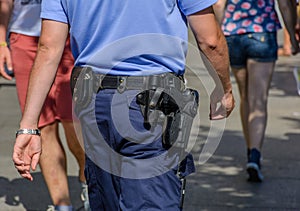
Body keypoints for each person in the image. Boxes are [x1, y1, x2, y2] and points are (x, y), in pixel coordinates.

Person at [12, 0, 235, 210]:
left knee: (108, 200)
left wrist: (29, 126)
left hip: (93, 104)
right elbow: (210, 41)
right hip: (150, 107)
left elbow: (48, 48)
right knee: (152, 200)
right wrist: (223, 88)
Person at [0, 0, 89, 210]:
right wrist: (2, 44)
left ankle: (88, 181)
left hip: (68, 35)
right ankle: (62, 205)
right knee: (41, 127)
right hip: (24, 37)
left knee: (74, 124)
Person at [214, 0, 290, 182]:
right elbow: (285, 4)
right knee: (259, 101)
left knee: (245, 97)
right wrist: (293, 41)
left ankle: (250, 152)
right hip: (263, 32)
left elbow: (218, 5)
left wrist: (218, 34)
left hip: (233, 34)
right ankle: (255, 155)